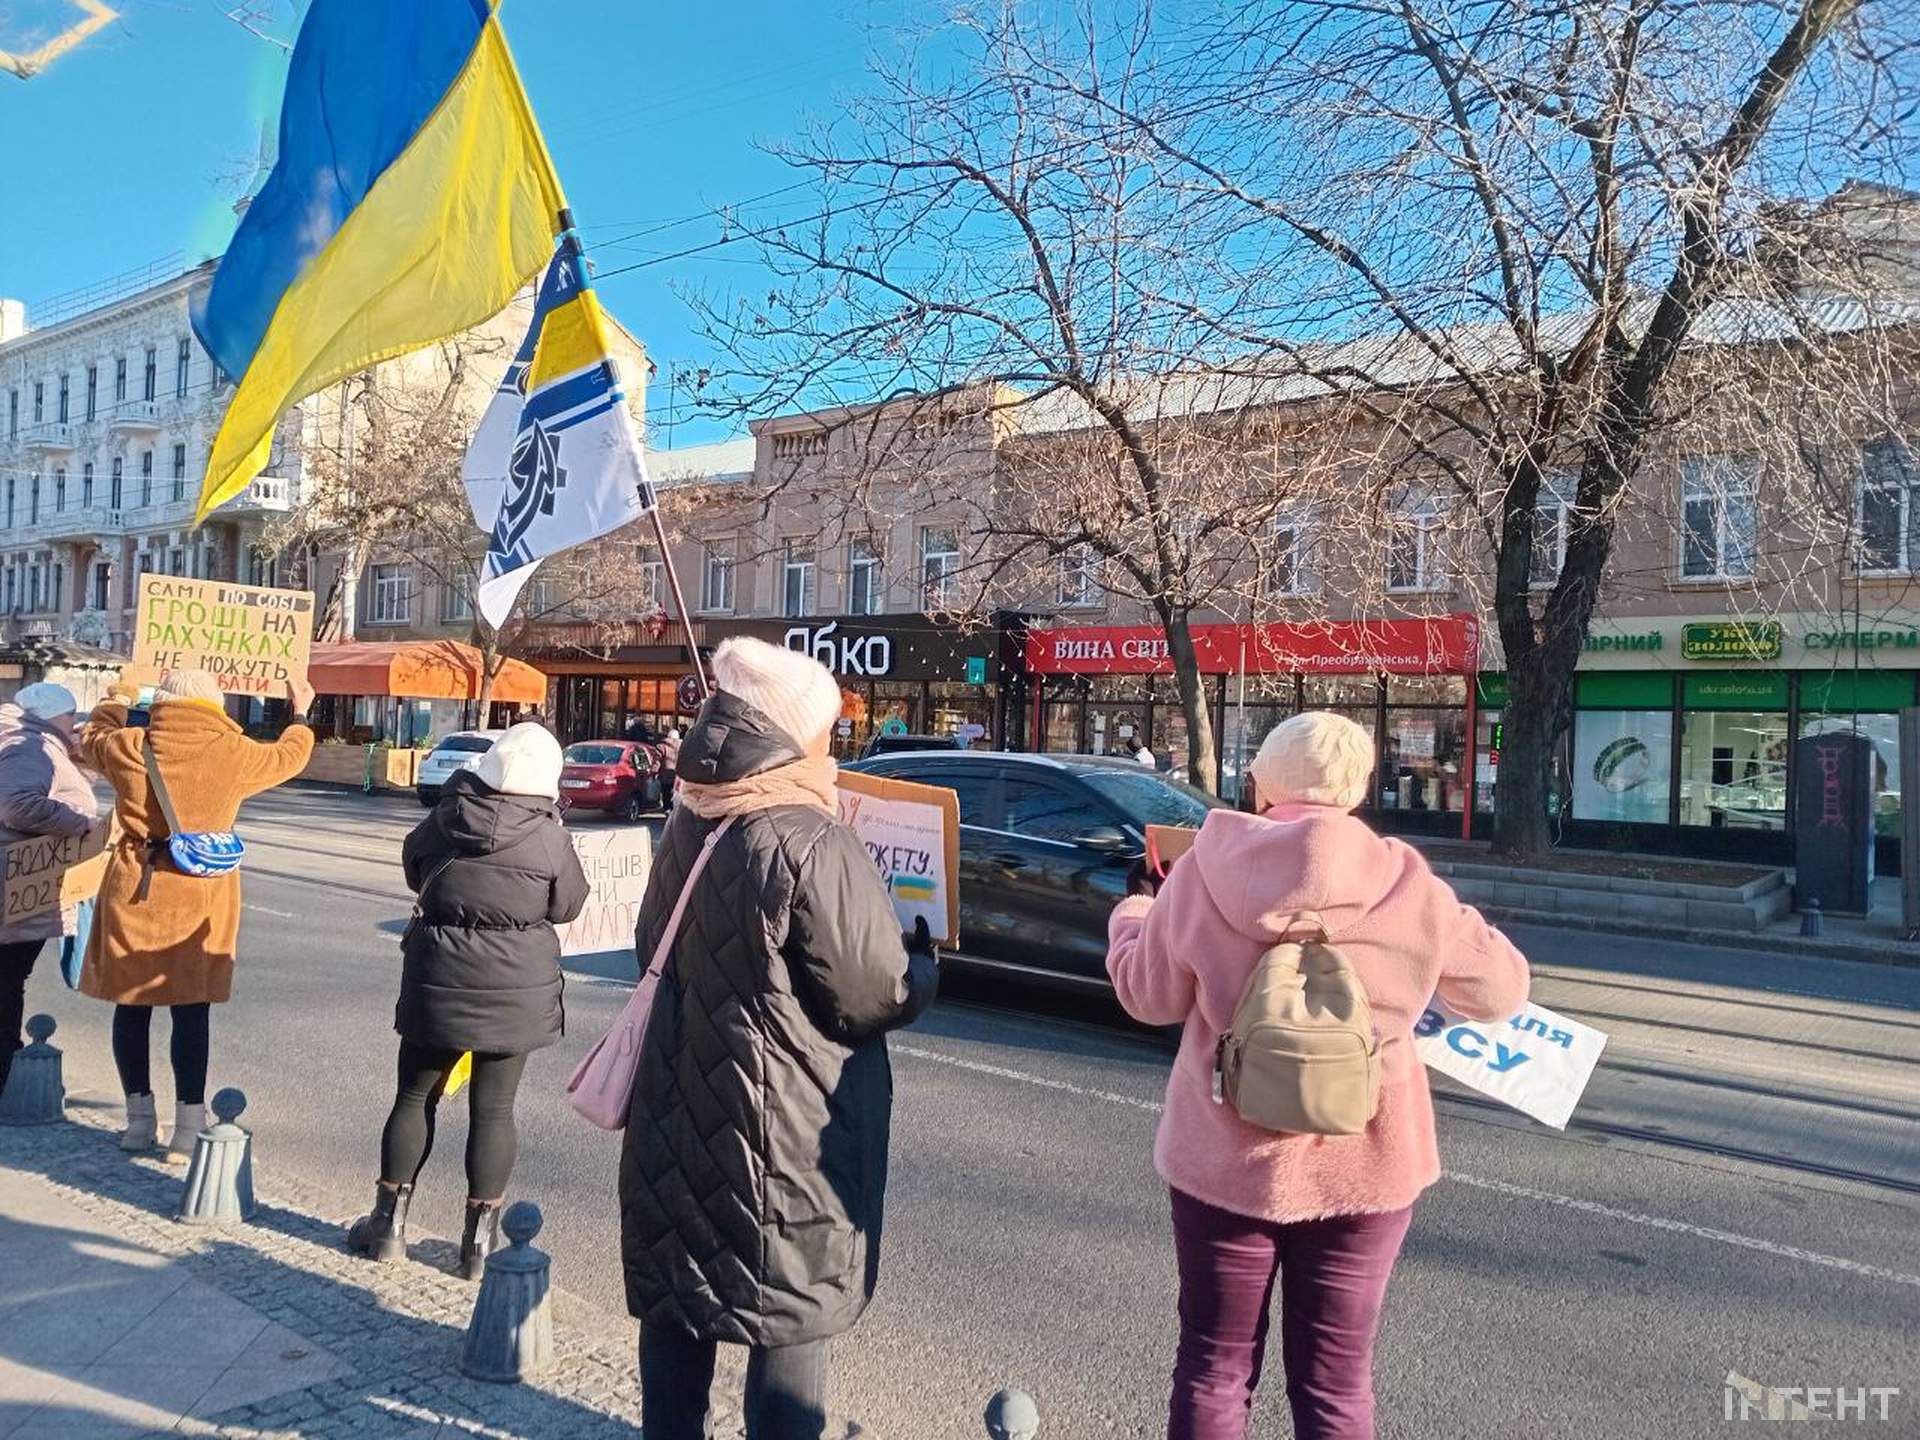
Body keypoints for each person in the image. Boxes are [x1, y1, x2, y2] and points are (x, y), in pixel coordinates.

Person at [1107, 711, 1530, 1440]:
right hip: (1366, 1170)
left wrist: (1136, 911)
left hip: (1223, 1165)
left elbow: (1147, 998)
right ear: (1357, 788)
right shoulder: (1406, 881)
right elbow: (1500, 990)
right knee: (1336, 1383)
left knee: (1214, 1366)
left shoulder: (1204, 869)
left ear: (1262, 784)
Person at [621, 638, 939, 1440]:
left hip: (681, 1110)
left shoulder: (692, 818)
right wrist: (925, 967)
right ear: (792, 733)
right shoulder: (812, 837)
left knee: (680, 1302)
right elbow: (870, 995)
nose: (833, 743)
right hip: (783, 1133)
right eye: (826, 727)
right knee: (786, 1312)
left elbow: (646, 944)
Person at [347, 723, 588, 1277]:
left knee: (413, 1098)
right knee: (495, 1110)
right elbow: (569, 906)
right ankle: (476, 1248)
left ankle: (387, 1226)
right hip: (515, 991)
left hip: (438, 980)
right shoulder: (549, 836)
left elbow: (414, 870)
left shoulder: (446, 817)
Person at [79, 667, 315, 1158]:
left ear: (161, 701)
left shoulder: (129, 745)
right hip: (201, 894)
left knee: (132, 1006)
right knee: (191, 1012)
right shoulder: (233, 752)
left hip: (137, 888)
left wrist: (120, 693)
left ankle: (139, 1123)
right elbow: (290, 755)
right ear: (214, 705)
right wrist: (300, 710)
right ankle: (189, 1127)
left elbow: (91, 736)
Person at [0, 684, 98, 1099]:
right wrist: (80, 822)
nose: (75, 723)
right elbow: (15, 803)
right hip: (13, 891)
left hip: (16, 889)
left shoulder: (23, 740)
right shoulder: (28, 745)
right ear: (57, 716)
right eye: (72, 715)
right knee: (6, 984)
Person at [656, 723, 681, 807]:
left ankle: (667, 807)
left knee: (665, 791)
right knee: (677, 792)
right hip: (679, 774)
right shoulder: (683, 746)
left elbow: (657, 761)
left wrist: (654, 771)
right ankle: (675, 808)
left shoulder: (661, 747)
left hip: (665, 773)